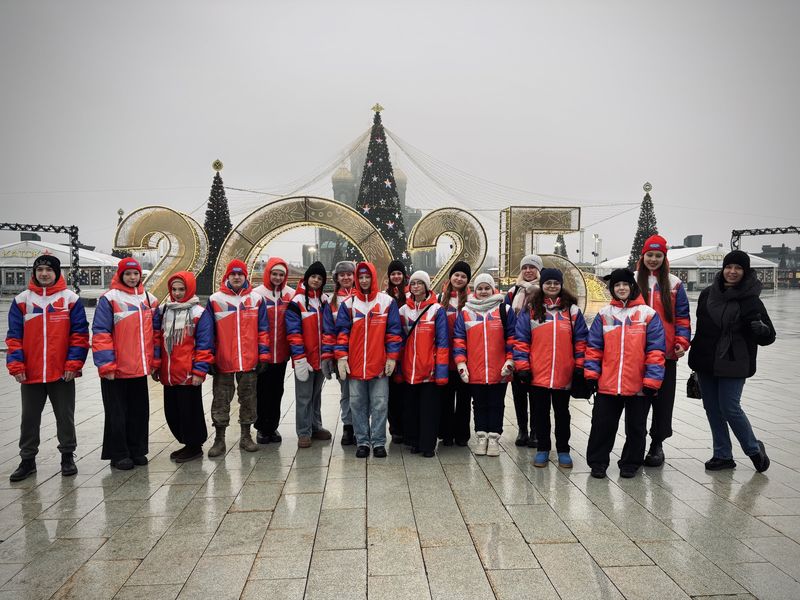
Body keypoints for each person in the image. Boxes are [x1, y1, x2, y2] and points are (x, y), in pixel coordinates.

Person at [688, 250, 774, 472]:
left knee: (730, 408)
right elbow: (703, 329)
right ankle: (723, 454)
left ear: (745, 272)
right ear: (723, 269)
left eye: (738, 268)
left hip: (734, 360)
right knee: (712, 408)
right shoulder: (708, 294)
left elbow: (768, 336)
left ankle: (754, 449)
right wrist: (695, 360)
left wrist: (762, 331)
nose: (732, 272)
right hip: (707, 360)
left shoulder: (750, 299)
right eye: (729, 267)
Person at [6, 254, 89, 481]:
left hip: (61, 372)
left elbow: (79, 335)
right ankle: (27, 460)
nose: (44, 273)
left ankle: (67, 456)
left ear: (57, 273)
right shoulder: (22, 300)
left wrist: (73, 364)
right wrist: (16, 365)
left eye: (48, 270)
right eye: (40, 269)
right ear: (34, 272)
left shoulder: (69, 299)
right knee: (29, 418)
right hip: (30, 372)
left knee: (65, 416)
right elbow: (13, 336)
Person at [585, 269, 665, 479]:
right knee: (602, 426)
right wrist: (591, 375)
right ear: (612, 289)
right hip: (608, 384)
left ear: (632, 287)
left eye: (625, 285)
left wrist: (652, 380)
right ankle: (598, 462)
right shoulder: (604, 314)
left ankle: (631, 462)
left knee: (636, 427)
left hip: (638, 384)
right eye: (617, 285)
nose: (621, 288)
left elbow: (656, 350)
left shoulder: (648, 314)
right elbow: (594, 347)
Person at [514, 268, 588, 468]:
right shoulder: (531, 310)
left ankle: (563, 450)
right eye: (548, 283)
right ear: (542, 285)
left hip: (564, 373)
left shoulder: (571, 311)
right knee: (540, 413)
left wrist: (580, 366)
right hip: (538, 373)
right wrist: (522, 366)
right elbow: (521, 340)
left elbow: (581, 341)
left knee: (562, 414)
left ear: (561, 285)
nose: (552, 286)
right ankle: (543, 449)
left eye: (556, 283)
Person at [92, 258, 160, 470]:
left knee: (139, 413)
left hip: (139, 368)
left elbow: (156, 334)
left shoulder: (150, 299)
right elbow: (101, 333)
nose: (132, 278)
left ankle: (137, 450)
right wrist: (106, 365)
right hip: (117, 370)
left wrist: (155, 360)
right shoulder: (109, 299)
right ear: (121, 275)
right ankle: (119, 453)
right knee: (117, 414)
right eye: (128, 274)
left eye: (136, 274)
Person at [634, 235, 691, 467]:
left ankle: (657, 444)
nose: (654, 259)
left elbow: (683, 317)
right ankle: (635, 445)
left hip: (665, 355)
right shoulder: (633, 281)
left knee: (663, 402)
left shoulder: (675, 284)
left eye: (658, 255)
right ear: (643, 256)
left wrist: (681, 342)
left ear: (664, 257)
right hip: (636, 354)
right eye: (650, 255)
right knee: (638, 402)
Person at [335, 261, 402, 458]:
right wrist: (341, 357)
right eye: (361, 277)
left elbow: (393, 333)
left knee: (380, 403)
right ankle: (362, 441)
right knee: (357, 404)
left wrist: (391, 357)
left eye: (367, 277)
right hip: (355, 366)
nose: (364, 281)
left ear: (373, 278)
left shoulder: (387, 302)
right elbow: (342, 333)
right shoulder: (348, 304)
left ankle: (379, 442)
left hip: (379, 365)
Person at [205, 259, 271, 458]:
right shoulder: (215, 299)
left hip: (249, 360)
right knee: (221, 400)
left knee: (249, 399)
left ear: (245, 276)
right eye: (233, 274)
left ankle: (245, 436)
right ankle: (219, 439)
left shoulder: (256, 299)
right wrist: (208, 358)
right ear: (227, 276)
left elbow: (263, 329)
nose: (236, 277)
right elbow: (208, 332)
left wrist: (263, 355)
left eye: (240, 274)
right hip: (223, 360)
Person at [453, 273, 516, 457]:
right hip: (476, 369)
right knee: (479, 404)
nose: (483, 291)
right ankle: (481, 437)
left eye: (486, 288)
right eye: (480, 288)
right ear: (475, 290)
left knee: (497, 403)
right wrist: (461, 364)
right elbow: (459, 339)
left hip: (500, 369)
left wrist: (510, 360)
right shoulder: (466, 312)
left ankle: (494, 438)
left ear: (493, 289)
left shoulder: (504, 310)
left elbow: (513, 337)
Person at [155, 272, 214, 462]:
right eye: (174, 289)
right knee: (173, 412)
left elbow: (205, 344)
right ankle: (186, 444)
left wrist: (199, 370)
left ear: (189, 289)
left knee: (190, 412)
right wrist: (156, 365)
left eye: (182, 289)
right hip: (169, 373)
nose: (178, 293)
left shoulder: (199, 313)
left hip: (188, 373)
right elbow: (156, 340)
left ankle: (194, 446)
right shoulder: (164, 311)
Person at [396, 270, 448, 457]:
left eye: (420, 283)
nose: (416, 286)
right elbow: (399, 340)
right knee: (411, 408)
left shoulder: (437, 310)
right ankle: (414, 441)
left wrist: (441, 371)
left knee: (429, 409)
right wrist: (399, 368)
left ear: (427, 287)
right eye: (413, 283)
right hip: (409, 369)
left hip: (429, 370)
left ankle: (427, 445)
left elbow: (442, 342)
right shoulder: (403, 310)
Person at [285, 261, 336, 448]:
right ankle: (303, 432)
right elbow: (294, 333)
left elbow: (329, 328)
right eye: (313, 276)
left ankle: (316, 426)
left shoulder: (324, 301)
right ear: (307, 278)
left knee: (316, 395)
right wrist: (299, 358)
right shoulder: (297, 302)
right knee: (304, 396)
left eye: (320, 278)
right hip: (304, 359)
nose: (316, 280)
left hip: (320, 359)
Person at [253, 257, 295, 444]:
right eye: (274, 274)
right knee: (262, 391)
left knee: (277, 390)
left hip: (282, 353)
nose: (277, 277)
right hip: (263, 354)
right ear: (268, 273)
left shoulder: (290, 295)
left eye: (281, 275)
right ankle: (262, 427)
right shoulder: (257, 294)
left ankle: (273, 427)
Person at [505, 254, 542, 448]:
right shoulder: (513, 292)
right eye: (525, 267)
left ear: (539, 270)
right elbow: (505, 316)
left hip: (538, 349)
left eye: (532, 267)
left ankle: (536, 431)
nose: (528, 271)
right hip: (516, 346)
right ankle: (522, 429)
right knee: (519, 392)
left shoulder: (545, 291)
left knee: (536, 393)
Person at [438, 261, 473, 447]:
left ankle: (462, 434)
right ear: (450, 277)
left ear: (467, 280)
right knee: (445, 399)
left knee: (464, 400)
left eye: (463, 276)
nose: (459, 278)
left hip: (466, 360)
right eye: (456, 275)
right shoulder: (439, 299)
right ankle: (446, 433)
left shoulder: (472, 301)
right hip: (445, 360)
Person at [330, 260, 357, 445]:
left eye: (349, 274)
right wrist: (330, 356)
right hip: (342, 355)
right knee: (346, 392)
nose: (346, 277)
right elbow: (328, 330)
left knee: (362, 394)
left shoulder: (363, 296)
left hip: (362, 354)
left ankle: (362, 425)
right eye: (342, 274)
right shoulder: (331, 301)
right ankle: (349, 427)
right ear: (337, 278)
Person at [385, 259, 409, 443]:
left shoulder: (411, 295)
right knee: (392, 392)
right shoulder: (383, 297)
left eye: (399, 273)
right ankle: (395, 428)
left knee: (406, 392)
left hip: (408, 351)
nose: (396, 276)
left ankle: (407, 426)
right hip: (390, 351)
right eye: (393, 274)